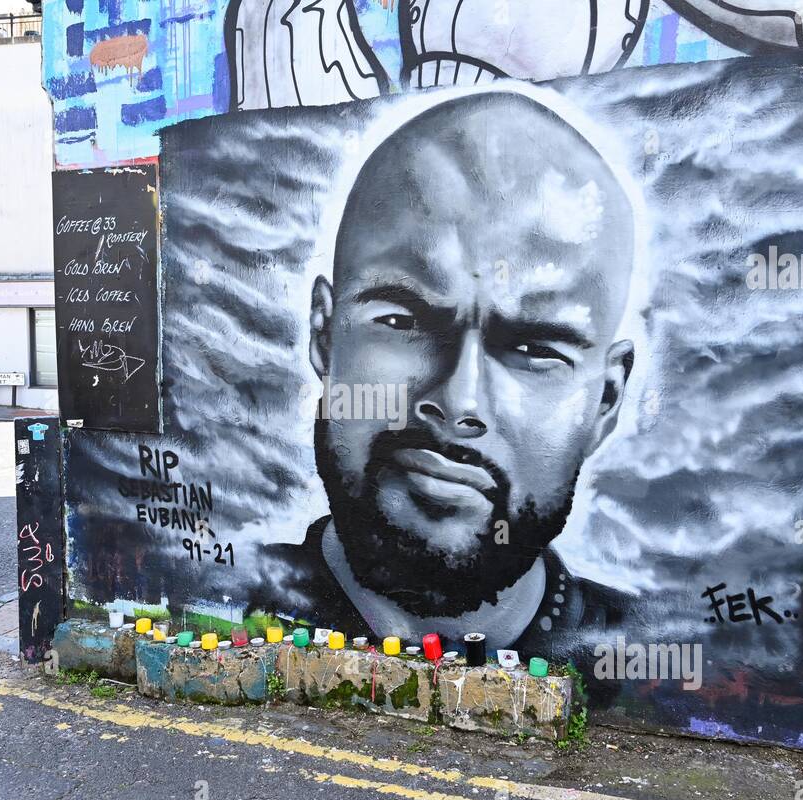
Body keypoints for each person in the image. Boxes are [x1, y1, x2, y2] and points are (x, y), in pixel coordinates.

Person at [263, 91, 641, 669]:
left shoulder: (661, 667)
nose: (459, 401)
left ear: (605, 400)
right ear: (325, 336)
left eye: (536, 348)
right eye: (402, 321)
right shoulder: (225, 598)